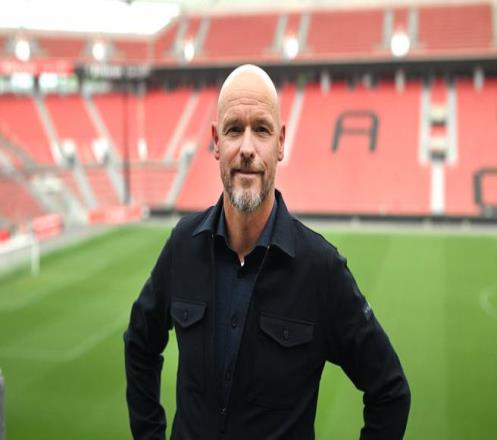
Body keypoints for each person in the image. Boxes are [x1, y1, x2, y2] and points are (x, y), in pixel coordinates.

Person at [124, 64, 411, 440]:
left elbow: (390, 392)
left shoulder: (319, 268)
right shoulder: (183, 245)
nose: (247, 148)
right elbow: (140, 343)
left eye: (261, 129)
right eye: (234, 130)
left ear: (281, 143)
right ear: (216, 142)